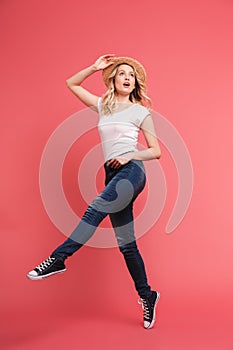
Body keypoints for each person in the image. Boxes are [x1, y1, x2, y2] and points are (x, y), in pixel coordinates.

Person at [27, 54, 162, 329]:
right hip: (112, 174)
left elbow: (156, 151)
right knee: (127, 244)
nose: (127, 77)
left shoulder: (140, 111)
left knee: (95, 208)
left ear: (136, 82)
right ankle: (148, 295)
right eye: (122, 73)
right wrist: (94, 67)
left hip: (132, 170)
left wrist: (129, 156)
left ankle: (58, 259)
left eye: (131, 75)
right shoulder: (104, 106)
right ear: (113, 79)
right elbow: (71, 84)